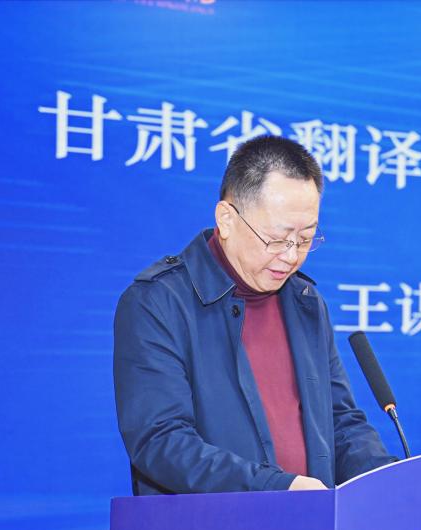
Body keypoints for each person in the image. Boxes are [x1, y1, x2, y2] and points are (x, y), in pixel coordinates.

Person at [113, 136, 398, 494]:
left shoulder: (305, 302)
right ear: (227, 219)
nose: (291, 256)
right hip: (210, 528)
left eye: (305, 239)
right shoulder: (158, 302)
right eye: (277, 238)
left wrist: (386, 481)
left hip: (311, 523)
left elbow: (340, 422)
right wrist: (276, 488)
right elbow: (161, 441)